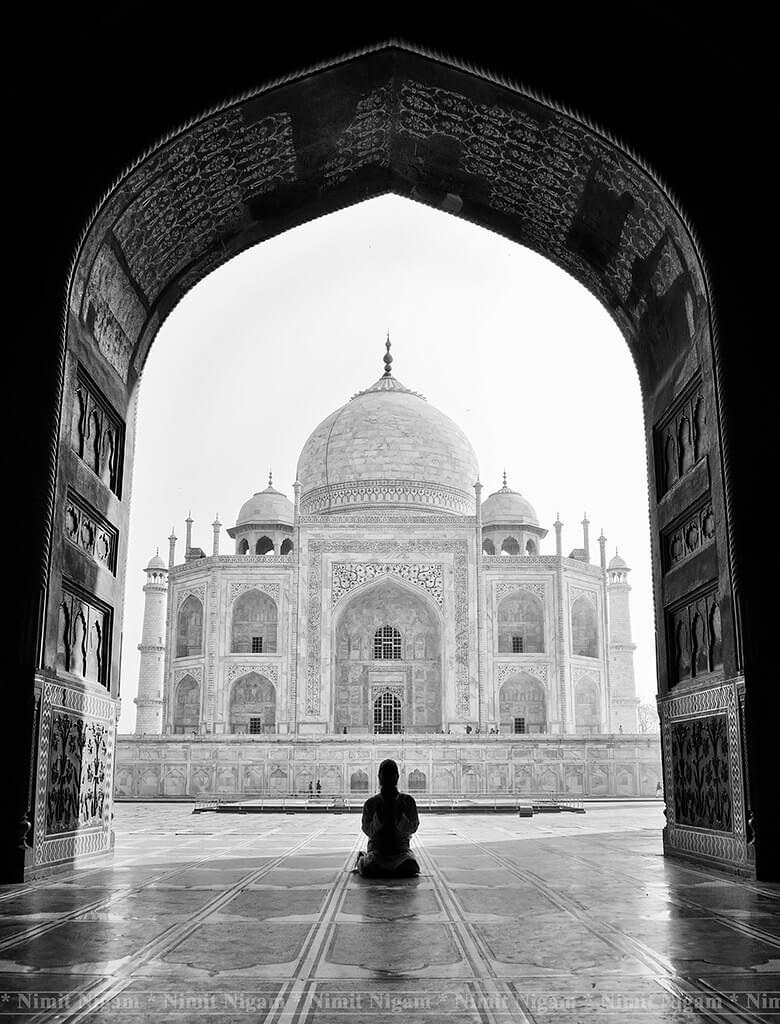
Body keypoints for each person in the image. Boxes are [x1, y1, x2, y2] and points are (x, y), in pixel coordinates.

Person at [355, 759, 420, 878]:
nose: (388, 778)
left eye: (391, 774)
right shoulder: (371, 803)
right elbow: (367, 830)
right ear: (380, 777)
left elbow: (413, 828)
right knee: (370, 867)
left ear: (397, 777)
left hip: (401, 853)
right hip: (378, 853)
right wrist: (378, 819)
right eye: (385, 775)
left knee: (411, 866)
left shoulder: (407, 801)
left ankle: (364, 860)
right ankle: (364, 859)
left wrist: (400, 818)